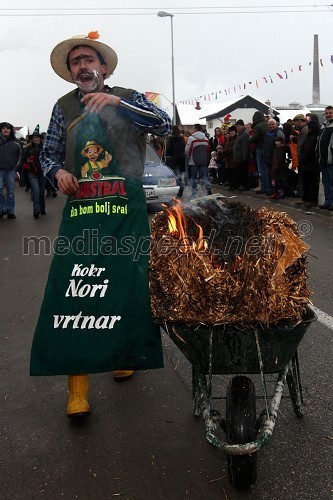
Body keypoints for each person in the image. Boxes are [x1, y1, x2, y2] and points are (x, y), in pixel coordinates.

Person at [30, 31, 172, 418]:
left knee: (126, 287)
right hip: (82, 213)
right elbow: (48, 154)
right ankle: (77, 389)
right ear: (71, 72)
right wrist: (57, 171)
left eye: (88, 59)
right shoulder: (62, 107)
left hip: (125, 210)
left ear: (103, 67)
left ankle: (122, 357)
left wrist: (119, 104)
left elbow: (163, 124)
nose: (82, 66)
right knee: (75, 291)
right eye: (76, 62)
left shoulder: (128, 95)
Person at [22, 125, 46, 218]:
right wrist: (28, 161)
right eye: (34, 137)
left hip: (42, 172)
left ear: (40, 138)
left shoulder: (45, 148)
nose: (36, 139)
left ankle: (42, 209)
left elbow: (48, 159)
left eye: (37, 137)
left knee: (41, 192)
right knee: (35, 191)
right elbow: (24, 160)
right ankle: (36, 211)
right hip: (32, 173)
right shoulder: (28, 149)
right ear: (32, 139)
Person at [296, 120, 320, 208]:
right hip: (307, 163)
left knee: (312, 183)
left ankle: (312, 200)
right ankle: (306, 198)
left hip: (311, 163)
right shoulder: (310, 136)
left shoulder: (313, 137)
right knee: (306, 181)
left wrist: (301, 160)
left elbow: (308, 151)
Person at [0, 122, 22, 219]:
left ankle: (10, 211)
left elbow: (20, 157)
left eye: (8, 128)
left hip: (11, 170)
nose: (6, 130)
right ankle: (1, 209)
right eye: (4, 128)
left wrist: (16, 168)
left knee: (11, 191)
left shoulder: (16, 143)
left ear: (11, 130)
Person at [185, 123, 212, 199]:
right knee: (204, 175)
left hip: (193, 160)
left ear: (195, 129)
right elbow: (208, 149)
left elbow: (187, 150)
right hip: (203, 160)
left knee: (193, 177)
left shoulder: (191, 138)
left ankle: (194, 193)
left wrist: (188, 157)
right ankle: (208, 187)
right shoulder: (206, 138)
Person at [317, 105, 333, 210]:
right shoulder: (323, 126)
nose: (328, 115)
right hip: (323, 158)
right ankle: (327, 201)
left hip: (331, 159)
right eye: (326, 113)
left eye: (330, 113)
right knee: (325, 182)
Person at [263, 119, 285, 196]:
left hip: (275, 157)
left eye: (273, 124)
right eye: (270, 124)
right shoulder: (267, 133)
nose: (271, 126)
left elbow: (282, 144)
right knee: (269, 174)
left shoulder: (278, 132)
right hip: (268, 156)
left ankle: (276, 191)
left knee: (275, 176)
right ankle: (270, 190)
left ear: (276, 125)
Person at [250, 111, 268, 194]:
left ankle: (263, 187)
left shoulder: (257, 127)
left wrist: (250, 138)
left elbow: (255, 138)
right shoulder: (266, 125)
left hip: (259, 149)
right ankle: (267, 186)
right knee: (267, 168)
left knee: (261, 169)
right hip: (266, 148)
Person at [165, 125, 186, 197]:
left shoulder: (170, 139)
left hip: (173, 159)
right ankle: (181, 189)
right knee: (179, 176)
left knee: (173, 176)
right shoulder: (182, 138)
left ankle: (175, 190)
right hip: (181, 159)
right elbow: (184, 148)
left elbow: (168, 149)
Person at [233, 119, 250, 191]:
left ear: (242, 126)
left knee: (244, 172)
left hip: (242, 157)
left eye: (237, 126)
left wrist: (244, 157)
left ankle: (245, 185)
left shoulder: (244, 134)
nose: (236, 128)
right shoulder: (240, 134)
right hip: (239, 156)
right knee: (241, 172)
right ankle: (242, 185)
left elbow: (245, 146)